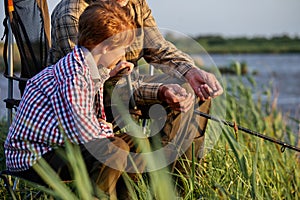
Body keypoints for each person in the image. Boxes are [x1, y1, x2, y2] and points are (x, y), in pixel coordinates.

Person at [48, 0, 223, 180]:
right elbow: (92, 80)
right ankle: (155, 180)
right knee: (171, 93)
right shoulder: (71, 13)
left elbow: (158, 47)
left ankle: (181, 182)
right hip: (93, 97)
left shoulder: (135, 3)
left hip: (127, 86)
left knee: (195, 90)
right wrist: (160, 91)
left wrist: (191, 72)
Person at [4, 2, 140, 199]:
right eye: (122, 50)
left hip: (55, 147)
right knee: (114, 149)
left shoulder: (86, 66)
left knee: (132, 144)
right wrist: (107, 128)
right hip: (32, 158)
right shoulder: (74, 75)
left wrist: (108, 75)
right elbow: (85, 135)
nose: (123, 56)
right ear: (106, 47)